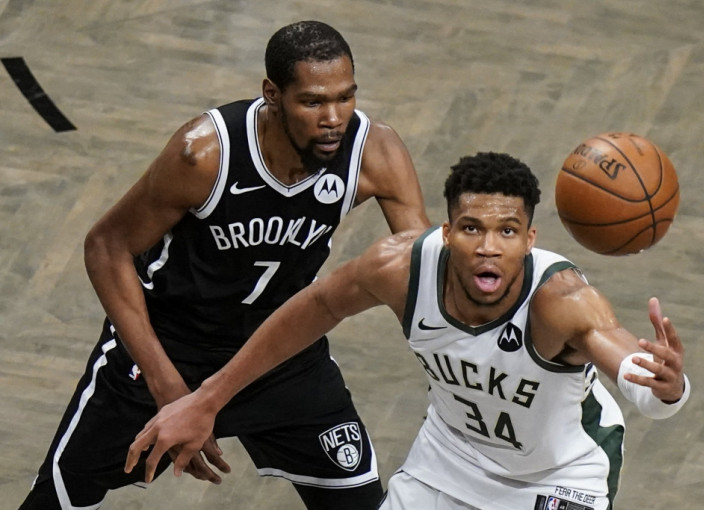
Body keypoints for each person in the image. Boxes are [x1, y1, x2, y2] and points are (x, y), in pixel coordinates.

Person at [125, 151, 690, 509]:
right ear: (446, 233)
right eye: (472, 228)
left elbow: (622, 355)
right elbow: (316, 307)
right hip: (448, 462)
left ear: (530, 239)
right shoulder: (398, 269)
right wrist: (207, 399)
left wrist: (663, 387)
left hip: (557, 475)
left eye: (507, 232)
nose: (488, 247)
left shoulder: (560, 300)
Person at [19, 20, 430, 510]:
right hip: (173, 348)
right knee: (54, 501)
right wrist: (167, 385)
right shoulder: (204, 155)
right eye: (313, 102)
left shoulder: (374, 152)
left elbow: (423, 269)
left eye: (346, 97)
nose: (334, 118)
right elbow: (106, 249)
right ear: (272, 95)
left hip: (280, 351)